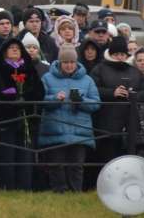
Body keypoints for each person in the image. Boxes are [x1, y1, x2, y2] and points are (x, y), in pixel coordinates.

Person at [0, 37, 45, 190]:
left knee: (25, 155)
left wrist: (25, 97)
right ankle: (8, 187)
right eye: (11, 48)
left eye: (17, 48)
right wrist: (8, 96)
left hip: (27, 120)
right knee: (7, 155)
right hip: (5, 119)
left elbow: (39, 92)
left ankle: (25, 187)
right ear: (4, 52)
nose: (15, 50)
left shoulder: (29, 68)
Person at [38, 44, 100, 193]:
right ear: (60, 63)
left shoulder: (87, 80)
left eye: (72, 62)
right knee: (56, 165)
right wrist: (54, 98)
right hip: (55, 129)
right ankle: (59, 192)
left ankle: (75, 192)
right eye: (66, 62)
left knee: (77, 166)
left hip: (79, 130)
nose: (69, 65)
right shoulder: (46, 78)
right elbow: (40, 101)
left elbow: (96, 104)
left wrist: (81, 101)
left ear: (76, 62)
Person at [89, 36, 144, 168]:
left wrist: (133, 95)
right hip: (105, 123)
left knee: (128, 160)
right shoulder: (99, 69)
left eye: (122, 54)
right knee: (107, 160)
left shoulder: (134, 71)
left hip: (130, 124)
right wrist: (112, 93)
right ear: (110, 54)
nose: (120, 57)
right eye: (116, 54)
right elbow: (92, 89)